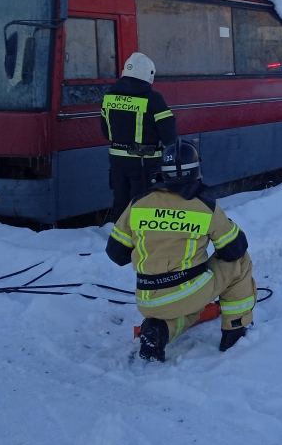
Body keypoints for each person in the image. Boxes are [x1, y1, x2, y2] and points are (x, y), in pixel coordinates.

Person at [105, 138, 257, 361]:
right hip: (187, 292)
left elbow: (116, 254)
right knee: (240, 263)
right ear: (196, 172)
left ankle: (158, 332)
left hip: (147, 299)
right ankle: (235, 331)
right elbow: (234, 251)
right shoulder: (205, 207)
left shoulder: (139, 203)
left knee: (189, 312)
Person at [100, 52, 177, 221]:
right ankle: (140, 239)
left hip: (117, 160)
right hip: (144, 161)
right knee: (142, 201)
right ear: (148, 75)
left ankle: (120, 239)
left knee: (121, 200)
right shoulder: (154, 99)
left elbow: (106, 132)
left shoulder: (108, 97)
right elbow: (169, 134)